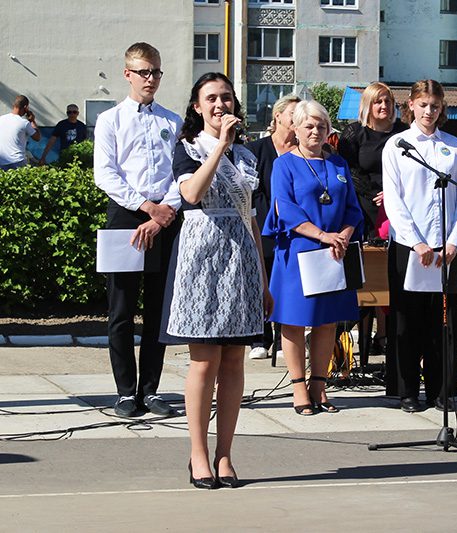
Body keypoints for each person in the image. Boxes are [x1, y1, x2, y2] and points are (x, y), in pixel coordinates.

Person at [159, 72, 272, 489]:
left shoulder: (246, 156)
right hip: (202, 257)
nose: (220, 104)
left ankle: (225, 454)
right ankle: (198, 454)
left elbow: (252, 218)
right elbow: (192, 194)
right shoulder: (188, 147)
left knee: (234, 360)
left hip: (241, 259)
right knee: (205, 360)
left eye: (226, 97)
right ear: (197, 106)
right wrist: (220, 145)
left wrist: (263, 280)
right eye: (211, 98)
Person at [93, 42, 182, 418]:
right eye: (144, 72)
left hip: (165, 218)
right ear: (127, 73)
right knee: (122, 310)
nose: (151, 78)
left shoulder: (172, 121)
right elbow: (105, 173)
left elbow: (182, 172)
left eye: (156, 71)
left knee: (158, 310)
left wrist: (164, 213)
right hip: (128, 216)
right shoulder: (110, 119)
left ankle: (151, 390)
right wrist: (147, 208)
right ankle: (126, 393)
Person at [264, 100, 363, 416]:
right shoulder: (285, 164)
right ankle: (298, 388)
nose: (315, 131)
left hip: (335, 250)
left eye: (321, 126)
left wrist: (343, 234)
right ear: (295, 128)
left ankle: (319, 385)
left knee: (327, 321)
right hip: (299, 250)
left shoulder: (338, 164)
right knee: (294, 321)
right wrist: (322, 235)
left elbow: (352, 207)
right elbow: (286, 208)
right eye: (309, 125)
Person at [382, 79, 457, 413]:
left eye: (435, 106)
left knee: (443, 322)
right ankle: (407, 391)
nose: (429, 112)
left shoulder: (454, 146)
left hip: (446, 246)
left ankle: (441, 390)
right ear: (411, 105)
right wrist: (416, 242)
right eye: (423, 105)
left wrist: (453, 241)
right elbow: (394, 199)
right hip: (410, 246)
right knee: (408, 321)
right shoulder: (398, 145)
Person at [338, 82, 407, 358]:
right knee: (367, 276)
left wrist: (391, 192)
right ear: (368, 105)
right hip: (364, 207)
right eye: (378, 101)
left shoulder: (403, 133)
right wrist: (372, 194)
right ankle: (364, 338)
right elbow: (349, 170)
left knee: (390, 273)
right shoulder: (354, 134)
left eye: (388, 101)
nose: (384, 106)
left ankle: (384, 335)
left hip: (397, 205)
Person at [244, 94, 301, 360]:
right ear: (277, 116)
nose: (297, 118)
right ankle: (260, 337)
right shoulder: (256, 149)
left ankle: (282, 338)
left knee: (286, 285)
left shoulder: (302, 151)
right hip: (263, 223)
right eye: (292, 113)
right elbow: (251, 191)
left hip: (294, 228)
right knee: (261, 277)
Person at [0, 95, 41, 170]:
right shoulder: (24, 123)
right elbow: (37, 137)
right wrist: (32, 121)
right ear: (25, 107)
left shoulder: (1, 119)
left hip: (2, 161)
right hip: (18, 161)